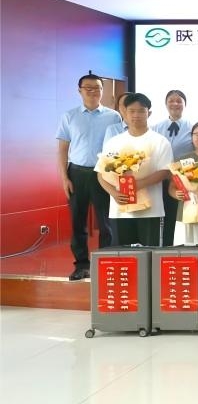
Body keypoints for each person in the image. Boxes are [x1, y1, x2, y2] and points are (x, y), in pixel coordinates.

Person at [57, 73, 121, 280]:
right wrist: (64, 178)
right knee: (78, 222)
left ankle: (105, 264)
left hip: (104, 174)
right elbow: (62, 149)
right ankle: (82, 265)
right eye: (88, 88)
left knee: (106, 223)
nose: (93, 91)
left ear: (102, 91)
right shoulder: (69, 116)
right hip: (77, 173)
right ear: (80, 90)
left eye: (97, 88)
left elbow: (119, 148)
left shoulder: (113, 116)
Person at [95, 93, 173, 247]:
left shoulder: (160, 141)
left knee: (150, 253)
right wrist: (114, 193)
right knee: (123, 255)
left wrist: (137, 184)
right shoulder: (114, 142)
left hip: (151, 210)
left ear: (149, 113)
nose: (136, 115)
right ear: (124, 112)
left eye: (141, 111)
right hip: (120, 209)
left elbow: (165, 171)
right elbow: (101, 174)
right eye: (131, 111)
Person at [152, 89, 193, 246]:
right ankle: (163, 247)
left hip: (183, 180)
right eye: (171, 100)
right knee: (160, 215)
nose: (175, 104)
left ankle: (179, 246)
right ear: (166, 104)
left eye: (179, 101)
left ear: (185, 104)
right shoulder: (156, 127)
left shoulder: (192, 127)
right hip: (160, 178)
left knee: (179, 214)